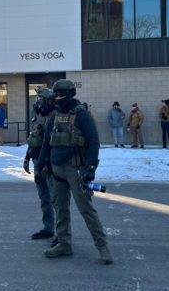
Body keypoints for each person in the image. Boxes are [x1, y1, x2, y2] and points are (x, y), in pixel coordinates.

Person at [33, 79, 112, 264]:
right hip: (56, 170)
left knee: (86, 210)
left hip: (77, 170)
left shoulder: (82, 115)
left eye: (62, 94)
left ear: (71, 93)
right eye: (56, 94)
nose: (59, 97)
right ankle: (64, 243)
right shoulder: (53, 116)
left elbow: (93, 142)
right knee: (61, 209)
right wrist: (38, 167)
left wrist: (91, 168)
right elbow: (46, 143)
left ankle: (103, 247)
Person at [23, 89, 57, 244]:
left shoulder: (55, 117)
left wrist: (46, 162)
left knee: (57, 198)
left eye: (42, 99)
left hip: (49, 163)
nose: (39, 102)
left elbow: (52, 143)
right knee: (44, 196)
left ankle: (62, 234)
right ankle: (48, 227)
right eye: (38, 99)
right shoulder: (39, 117)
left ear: (50, 101)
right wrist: (27, 156)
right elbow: (34, 138)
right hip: (38, 160)